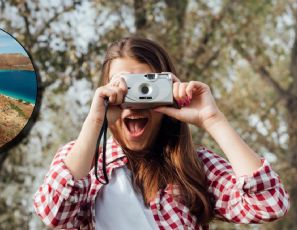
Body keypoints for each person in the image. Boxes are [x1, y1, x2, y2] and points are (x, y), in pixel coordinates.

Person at [33, 37, 289, 229]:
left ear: (167, 89)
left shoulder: (195, 165)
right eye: (123, 87)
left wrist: (213, 120)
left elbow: (270, 204)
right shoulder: (83, 161)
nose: (133, 102)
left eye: (146, 86)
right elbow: (53, 213)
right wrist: (95, 120)